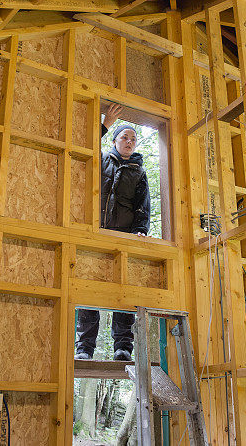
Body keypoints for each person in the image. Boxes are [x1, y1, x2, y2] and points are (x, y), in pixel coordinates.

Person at [75, 103, 151, 362]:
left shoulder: (139, 171)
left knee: (122, 293)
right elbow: (80, 143)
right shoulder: (101, 161)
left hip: (124, 238)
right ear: (116, 141)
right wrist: (105, 124)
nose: (129, 141)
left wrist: (140, 231)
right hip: (97, 233)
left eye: (133, 139)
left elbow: (144, 205)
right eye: (124, 137)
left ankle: (123, 347)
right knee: (89, 289)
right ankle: (84, 348)